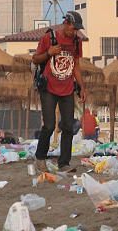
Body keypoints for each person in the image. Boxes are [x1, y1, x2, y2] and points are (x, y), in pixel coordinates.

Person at [32, 10, 87, 173]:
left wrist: (82, 86)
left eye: (76, 29)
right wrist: (49, 53)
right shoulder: (49, 38)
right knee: (49, 126)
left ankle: (64, 163)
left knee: (68, 126)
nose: (74, 32)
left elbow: (76, 65)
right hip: (48, 87)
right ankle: (40, 157)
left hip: (67, 88)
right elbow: (35, 59)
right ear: (66, 24)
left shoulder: (77, 41)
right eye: (72, 28)